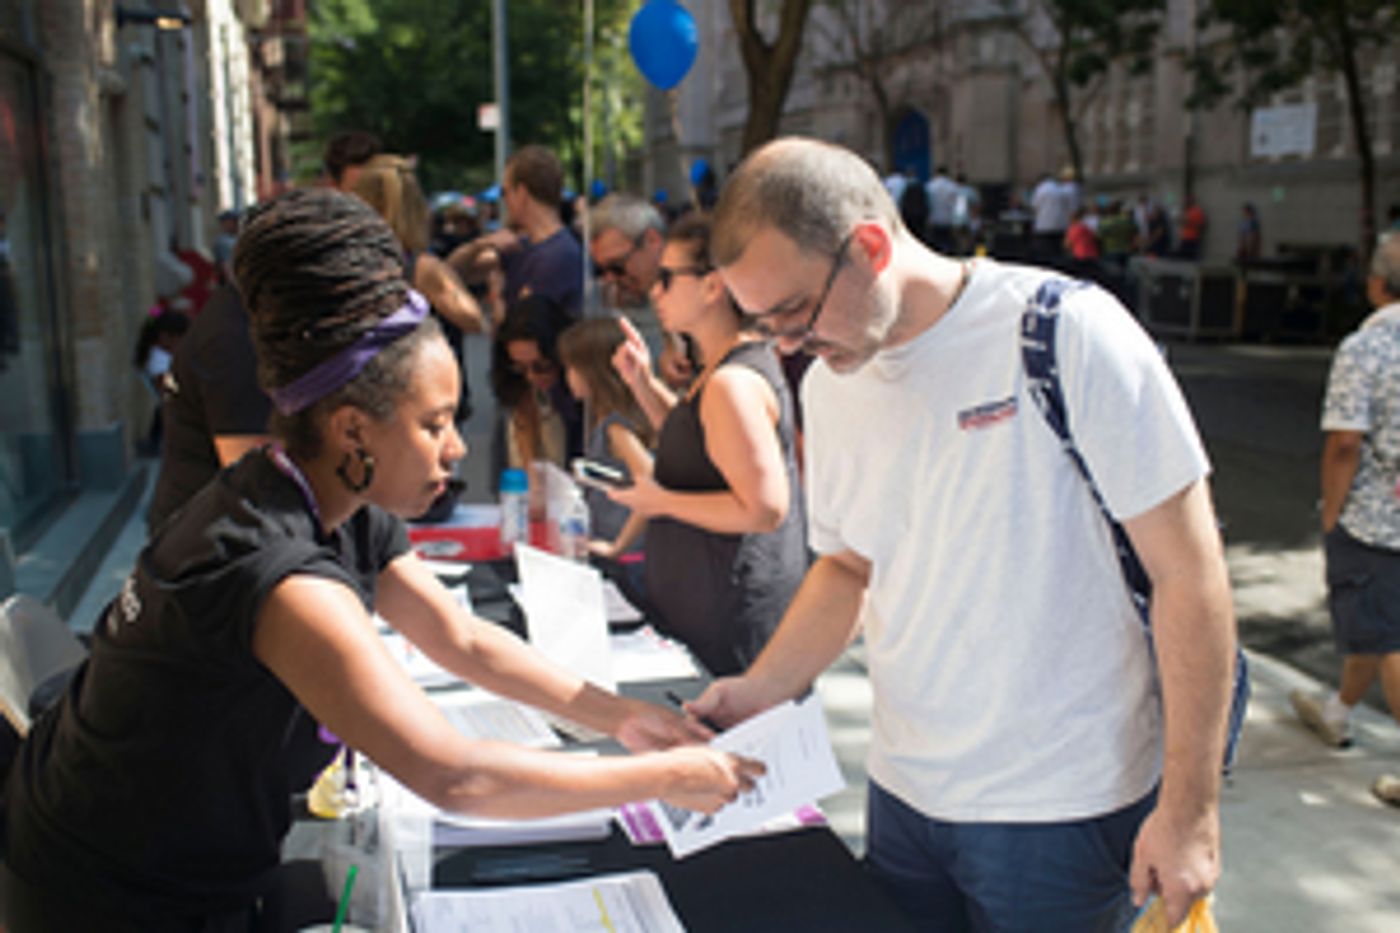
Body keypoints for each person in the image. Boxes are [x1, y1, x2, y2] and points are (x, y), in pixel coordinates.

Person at [2, 188, 759, 932]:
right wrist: (661, 778)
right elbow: (452, 774)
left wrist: (621, 713)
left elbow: (459, 638)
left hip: (181, 860)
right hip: (103, 894)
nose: (458, 446)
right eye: (434, 424)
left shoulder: (328, 495)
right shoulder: (278, 572)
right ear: (353, 430)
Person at [691, 137, 1238, 930]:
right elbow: (847, 566)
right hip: (904, 795)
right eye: (762, 322)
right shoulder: (837, 381)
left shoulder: (1066, 332)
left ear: (869, 246)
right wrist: (760, 689)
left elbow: (1192, 573)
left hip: (1062, 810)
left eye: (793, 314)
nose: (783, 344)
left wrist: (1189, 812)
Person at [605, 214, 807, 677]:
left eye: (667, 278)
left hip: (728, 620)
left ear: (714, 286)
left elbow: (764, 509)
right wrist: (642, 383)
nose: (655, 291)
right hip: (709, 609)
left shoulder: (731, 382)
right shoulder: (720, 370)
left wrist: (662, 502)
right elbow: (696, 442)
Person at [1290, 232, 1400, 807]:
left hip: (1379, 520)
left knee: (1387, 634)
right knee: (1375, 622)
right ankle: (1340, 710)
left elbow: (1344, 444)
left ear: (1377, 284)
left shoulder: (1366, 349)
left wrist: (1332, 512)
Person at [353, 153, 485, 427]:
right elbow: (473, 319)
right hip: (424, 406)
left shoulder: (350, 266)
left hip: (367, 403)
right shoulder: (421, 269)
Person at [447, 144, 583, 321]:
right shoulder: (522, 245)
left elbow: (522, 332)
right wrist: (480, 245)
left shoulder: (558, 254)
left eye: (504, 192)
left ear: (521, 193)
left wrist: (496, 294)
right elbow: (448, 274)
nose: (504, 201)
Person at [556, 316, 654, 558]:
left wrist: (618, 546)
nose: (567, 376)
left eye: (571, 367)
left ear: (593, 372)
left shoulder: (617, 428)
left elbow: (651, 482)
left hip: (628, 556)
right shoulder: (601, 420)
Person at [588, 193, 695, 390]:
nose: (610, 279)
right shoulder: (613, 298)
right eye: (601, 271)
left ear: (652, 240)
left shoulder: (694, 290)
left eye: (617, 266)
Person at [491, 294, 583, 475]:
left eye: (542, 367)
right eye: (519, 367)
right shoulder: (518, 396)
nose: (531, 377)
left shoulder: (583, 396)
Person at [132, 307, 190, 456]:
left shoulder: (159, 355)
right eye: (181, 339)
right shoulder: (159, 360)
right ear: (165, 337)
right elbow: (169, 390)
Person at [1176, 194, 1207, 260]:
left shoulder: (1197, 211)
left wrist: (1188, 223)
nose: (1186, 202)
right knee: (1183, 257)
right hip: (1185, 237)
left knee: (1189, 257)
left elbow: (1200, 225)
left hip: (1192, 238)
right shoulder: (1187, 211)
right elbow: (1183, 222)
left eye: (1187, 201)